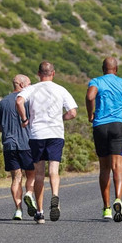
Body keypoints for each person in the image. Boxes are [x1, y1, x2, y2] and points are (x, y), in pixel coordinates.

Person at [16, 61, 78, 223]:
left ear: (38, 74)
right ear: (53, 73)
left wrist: (24, 119)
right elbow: (72, 112)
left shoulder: (32, 89)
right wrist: (60, 118)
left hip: (37, 134)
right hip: (56, 133)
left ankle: (40, 212)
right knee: (54, 170)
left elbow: (19, 101)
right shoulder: (61, 89)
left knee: (39, 174)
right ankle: (55, 197)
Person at [85, 57, 122, 222]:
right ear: (116, 69)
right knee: (118, 167)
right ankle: (118, 198)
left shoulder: (96, 81)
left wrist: (90, 114)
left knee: (104, 169)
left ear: (103, 69)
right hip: (118, 126)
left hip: (100, 126)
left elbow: (89, 97)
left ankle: (107, 208)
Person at [0, 74, 34, 220]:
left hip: (9, 144)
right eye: (29, 84)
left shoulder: (2, 102)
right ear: (22, 85)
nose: (31, 86)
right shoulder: (28, 101)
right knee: (31, 174)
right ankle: (29, 194)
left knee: (16, 177)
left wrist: (8, 129)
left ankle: (18, 210)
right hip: (27, 143)